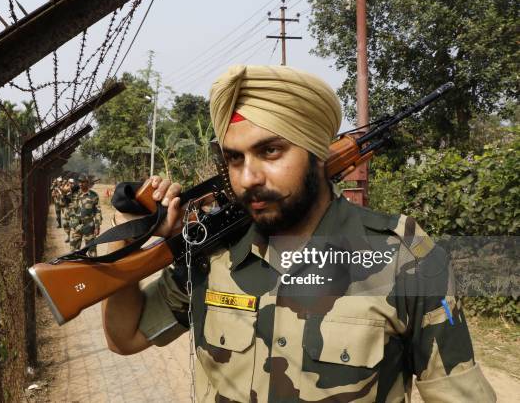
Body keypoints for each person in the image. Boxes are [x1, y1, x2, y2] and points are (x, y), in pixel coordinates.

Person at [101, 65, 495, 402]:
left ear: (318, 152)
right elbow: (127, 337)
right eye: (235, 158)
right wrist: (126, 241)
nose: (248, 178)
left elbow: (455, 391)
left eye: (270, 151)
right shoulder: (213, 253)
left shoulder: (404, 255)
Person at [68, 173, 102, 256]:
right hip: (76, 226)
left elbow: (97, 211)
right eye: (79, 182)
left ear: (87, 182)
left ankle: (93, 267)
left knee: (92, 251)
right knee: (73, 251)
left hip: (89, 226)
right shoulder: (74, 194)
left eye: (83, 182)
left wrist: (97, 226)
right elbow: (65, 195)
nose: (80, 184)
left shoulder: (94, 196)